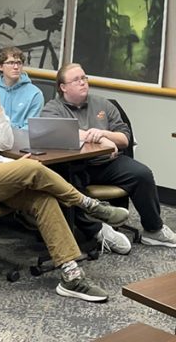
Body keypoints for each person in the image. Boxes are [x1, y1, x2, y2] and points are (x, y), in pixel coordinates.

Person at [0, 57, 129, 303]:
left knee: (42, 199)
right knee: (31, 168)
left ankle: (71, 276)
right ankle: (89, 204)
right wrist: (15, 166)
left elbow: (5, 143)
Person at [41, 63, 176, 252]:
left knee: (142, 174)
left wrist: (105, 136)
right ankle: (97, 231)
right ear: (63, 87)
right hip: (77, 165)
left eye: (84, 78)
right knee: (66, 186)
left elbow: (124, 138)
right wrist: (101, 140)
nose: (83, 83)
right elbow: (56, 132)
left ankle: (154, 229)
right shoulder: (53, 109)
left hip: (108, 163)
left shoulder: (104, 104)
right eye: (76, 80)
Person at [0, 47, 43, 129]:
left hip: (22, 140)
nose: (16, 67)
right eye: (11, 63)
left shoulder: (35, 94)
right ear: (0, 67)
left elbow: (31, 129)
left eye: (19, 63)